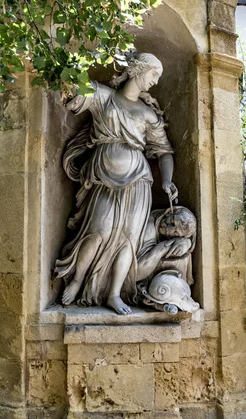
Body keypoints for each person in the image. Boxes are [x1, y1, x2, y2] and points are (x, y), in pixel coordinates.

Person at [54, 53, 178, 315]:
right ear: (138, 70)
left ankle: (113, 293)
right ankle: (77, 280)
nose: (155, 81)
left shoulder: (148, 114)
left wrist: (167, 180)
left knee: (128, 240)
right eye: (154, 74)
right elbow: (72, 92)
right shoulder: (103, 96)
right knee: (99, 230)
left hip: (139, 181)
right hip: (103, 176)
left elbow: (164, 150)